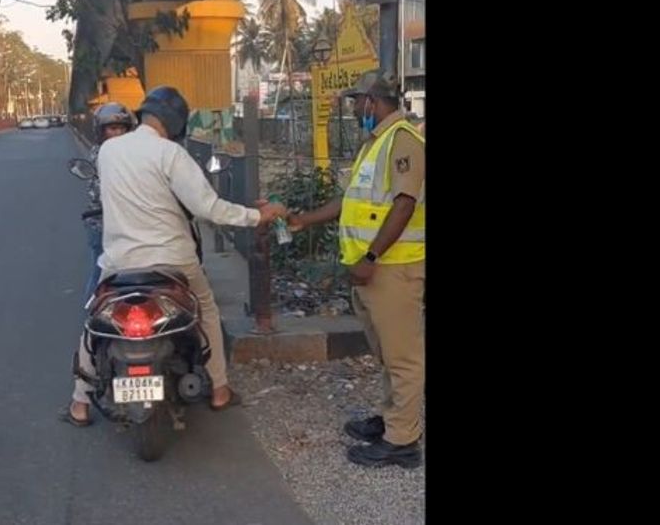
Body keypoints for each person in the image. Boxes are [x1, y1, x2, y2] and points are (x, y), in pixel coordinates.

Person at [62, 86, 287, 426]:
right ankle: (220, 390)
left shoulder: (109, 152)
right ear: (176, 121)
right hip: (173, 263)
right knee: (205, 310)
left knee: (95, 323)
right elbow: (207, 208)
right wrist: (258, 216)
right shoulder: (171, 154)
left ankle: (79, 403)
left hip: (120, 263)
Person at [288, 70, 426, 468]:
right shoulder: (375, 144)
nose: (351, 109)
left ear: (372, 101)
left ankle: (403, 442)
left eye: (355, 101)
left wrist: (370, 258)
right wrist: (304, 219)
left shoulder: (404, 142)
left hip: (393, 269)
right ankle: (391, 420)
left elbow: (404, 204)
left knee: (403, 356)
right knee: (386, 353)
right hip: (373, 270)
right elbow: (349, 200)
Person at [82, 102, 135, 303]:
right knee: (101, 273)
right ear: (101, 131)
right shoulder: (100, 154)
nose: (118, 133)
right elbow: (101, 191)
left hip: (127, 221)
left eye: (122, 128)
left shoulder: (131, 154)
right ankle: (91, 317)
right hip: (101, 222)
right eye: (113, 129)